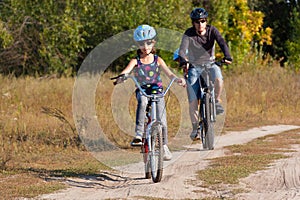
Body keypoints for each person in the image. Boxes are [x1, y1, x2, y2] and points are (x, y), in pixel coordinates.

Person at [115, 25, 186, 160]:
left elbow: (169, 73)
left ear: (153, 42)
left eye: (148, 42)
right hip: (142, 90)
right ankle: (138, 135)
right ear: (137, 44)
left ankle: (164, 146)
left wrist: (177, 80)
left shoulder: (157, 59)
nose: (145, 46)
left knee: (162, 119)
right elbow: (126, 70)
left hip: (157, 90)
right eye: (142, 43)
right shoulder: (135, 61)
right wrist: (121, 77)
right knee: (142, 102)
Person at [178, 8, 232, 141]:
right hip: (194, 67)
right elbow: (182, 49)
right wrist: (183, 60)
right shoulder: (189, 34)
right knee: (193, 100)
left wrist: (228, 56)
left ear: (206, 21)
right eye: (197, 22)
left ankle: (217, 100)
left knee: (218, 78)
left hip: (210, 64)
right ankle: (195, 128)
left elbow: (221, 42)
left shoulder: (212, 30)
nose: (200, 24)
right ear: (193, 23)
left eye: (202, 21)